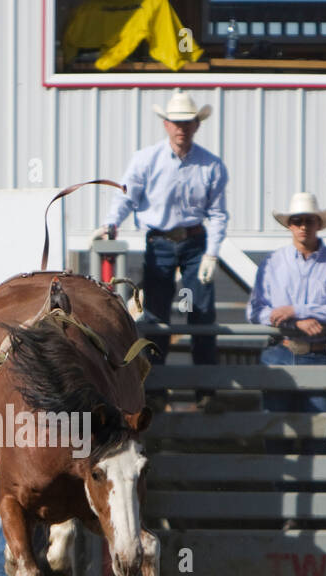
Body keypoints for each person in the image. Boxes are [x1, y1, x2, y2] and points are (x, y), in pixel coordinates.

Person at [96, 91, 229, 373]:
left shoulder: (211, 165)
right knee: (156, 312)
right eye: (176, 122)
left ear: (196, 125)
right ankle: (155, 382)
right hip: (160, 243)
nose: (181, 127)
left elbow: (218, 214)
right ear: (166, 124)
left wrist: (211, 254)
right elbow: (126, 197)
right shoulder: (146, 159)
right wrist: (111, 224)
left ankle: (205, 386)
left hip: (195, 243)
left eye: (186, 122)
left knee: (199, 312)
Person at [247, 191, 326, 416]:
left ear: (319, 224)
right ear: (290, 226)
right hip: (280, 350)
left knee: (321, 429)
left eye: (309, 220)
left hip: (318, 354)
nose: (303, 226)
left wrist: (296, 311)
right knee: (276, 430)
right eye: (297, 221)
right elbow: (255, 311)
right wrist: (296, 323)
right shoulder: (272, 262)